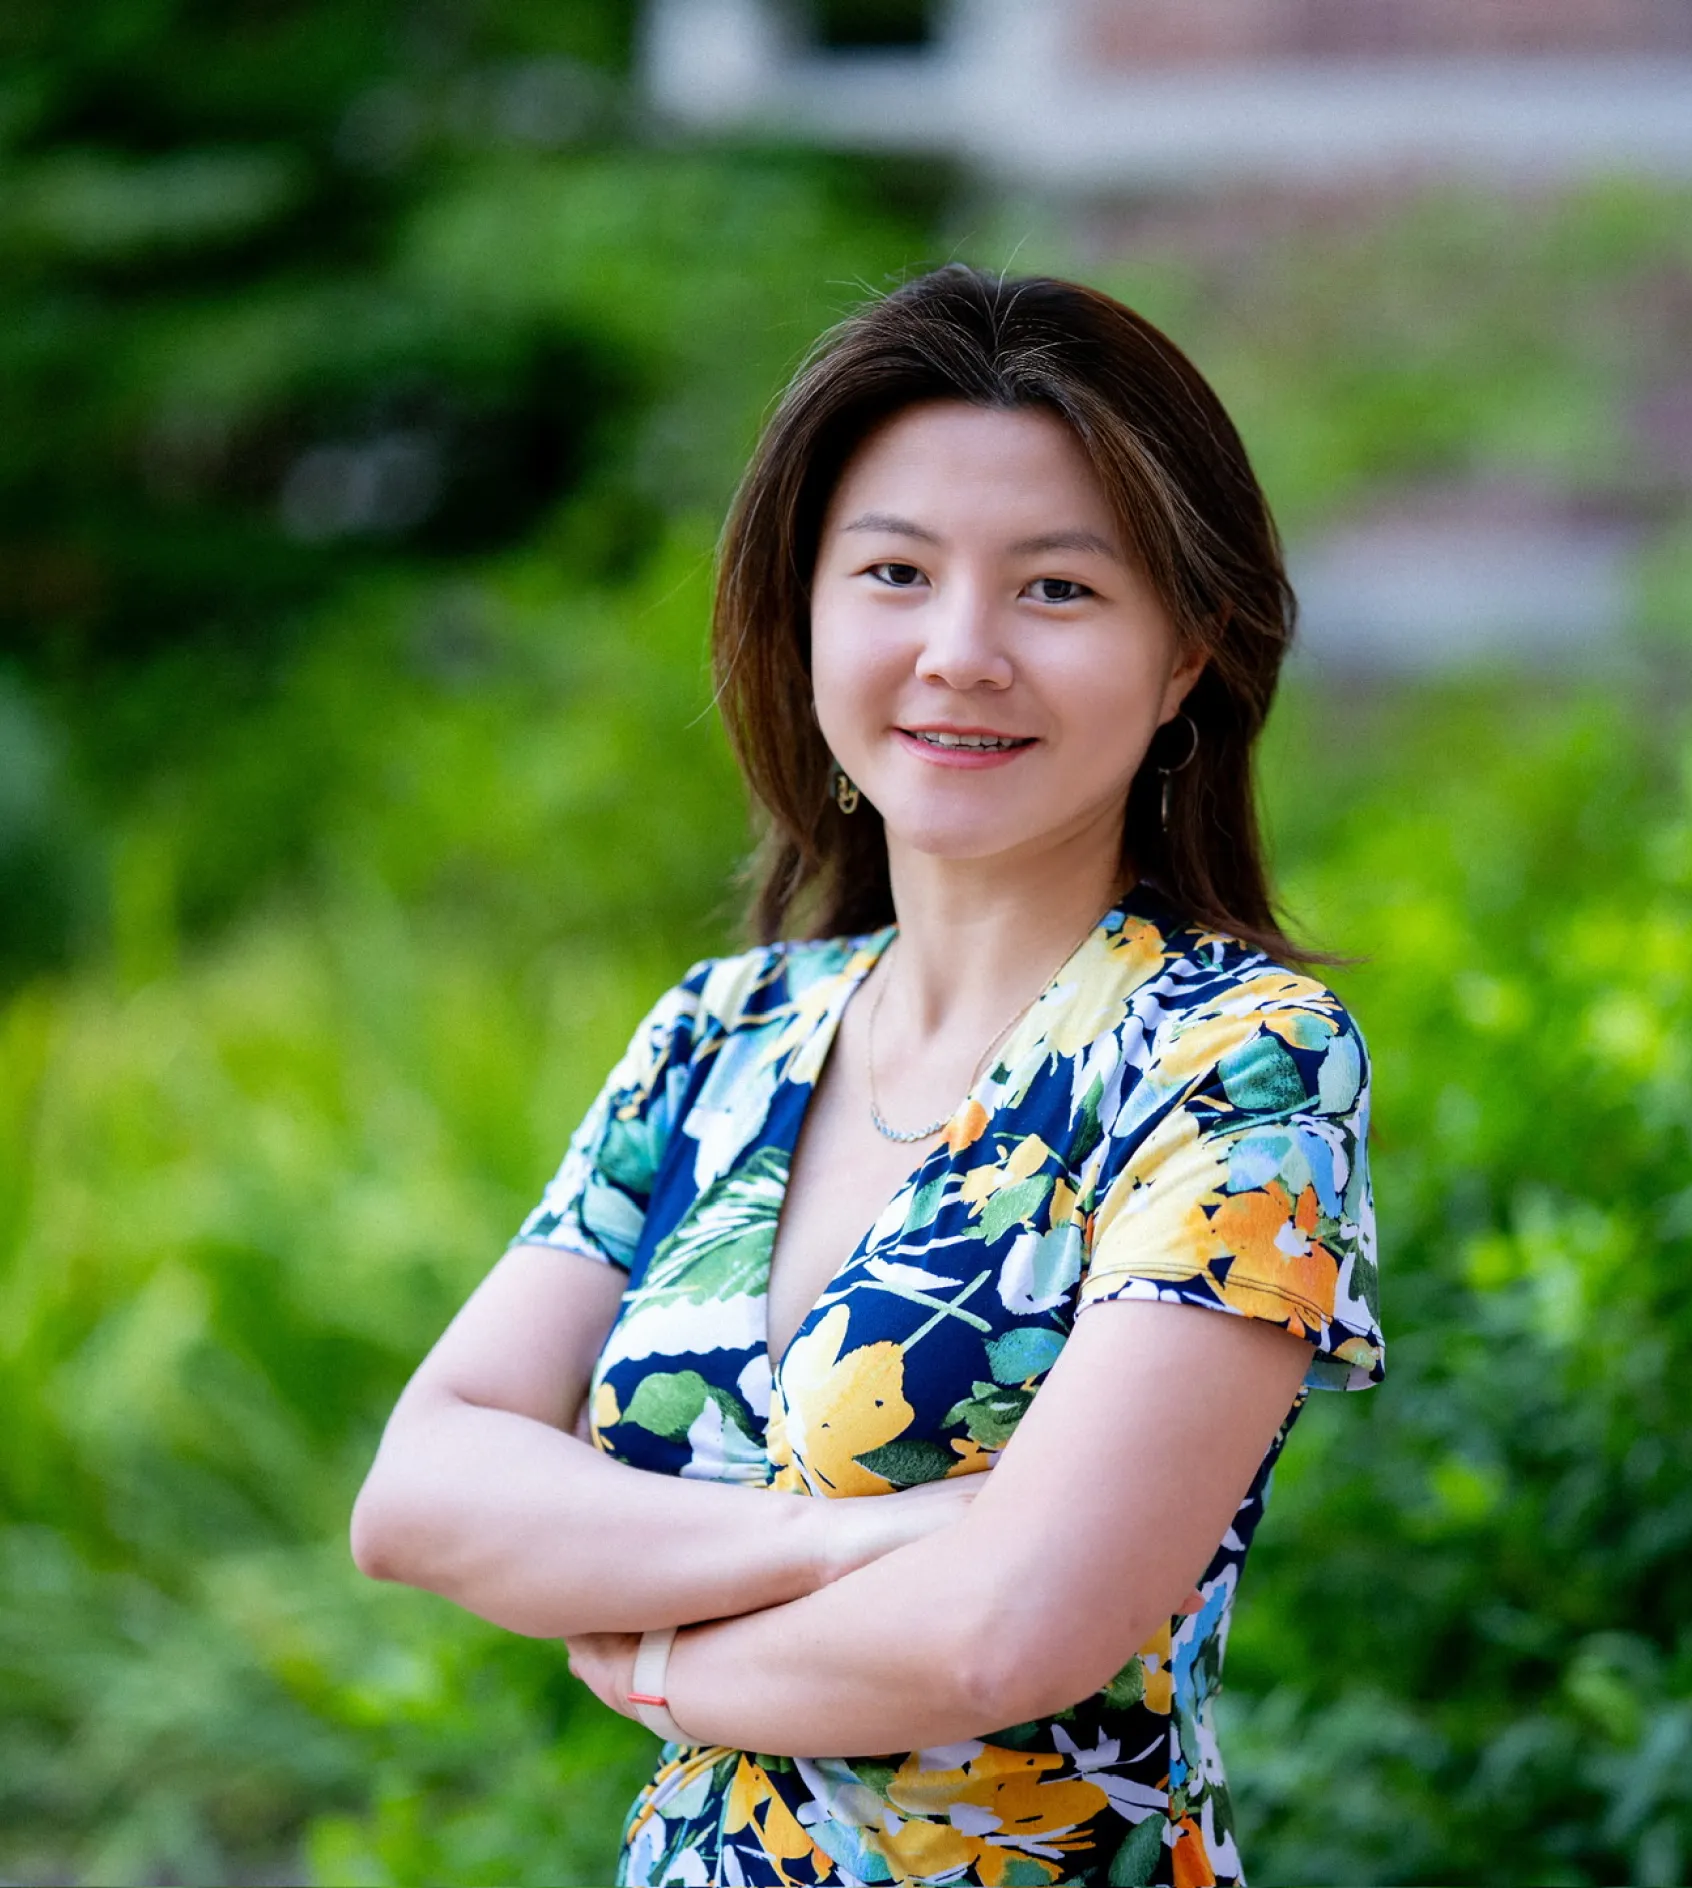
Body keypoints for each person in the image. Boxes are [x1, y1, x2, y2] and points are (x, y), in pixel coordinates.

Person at [350, 263, 1383, 1887]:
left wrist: (658, 1662)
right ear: (806, 616)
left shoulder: (1234, 1063)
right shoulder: (718, 1036)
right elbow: (421, 1490)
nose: (960, 652)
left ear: (1188, 653)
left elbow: (1011, 1634)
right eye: (895, 572)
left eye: (1057, 590)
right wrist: (837, 1539)